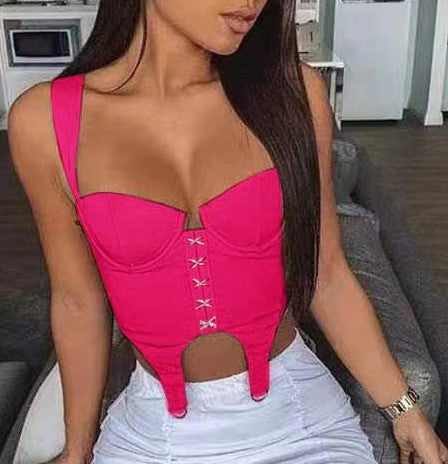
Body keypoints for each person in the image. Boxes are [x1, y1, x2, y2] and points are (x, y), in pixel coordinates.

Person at [7, 0, 448, 463]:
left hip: (302, 422)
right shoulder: (45, 122)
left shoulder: (294, 96)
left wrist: (405, 410)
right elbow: (78, 302)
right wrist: (77, 450)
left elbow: (327, 274)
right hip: (154, 437)